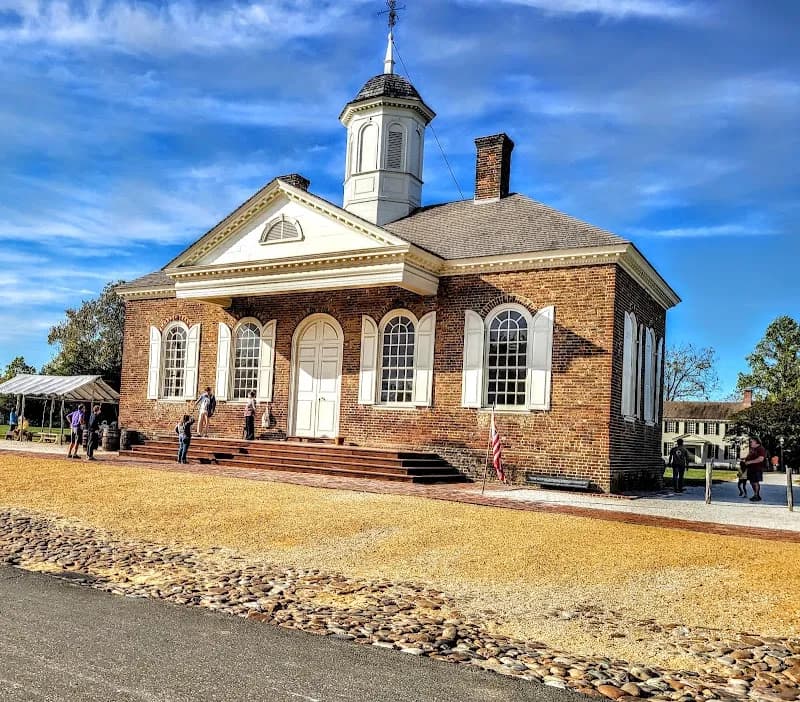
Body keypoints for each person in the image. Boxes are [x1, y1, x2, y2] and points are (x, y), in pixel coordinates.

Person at [743, 437, 767, 502]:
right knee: (752, 482)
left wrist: (750, 462)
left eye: (751, 441)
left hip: (757, 468)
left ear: (756, 442)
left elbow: (761, 459)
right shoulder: (753, 449)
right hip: (751, 468)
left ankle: (756, 495)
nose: (750, 443)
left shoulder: (761, 449)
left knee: (755, 482)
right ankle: (756, 495)